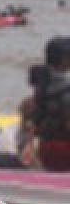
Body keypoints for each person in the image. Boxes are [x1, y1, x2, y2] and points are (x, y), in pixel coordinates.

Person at [30, 36, 70, 171]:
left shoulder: (42, 83)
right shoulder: (64, 88)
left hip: (45, 148)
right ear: (65, 59)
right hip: (64, 150)